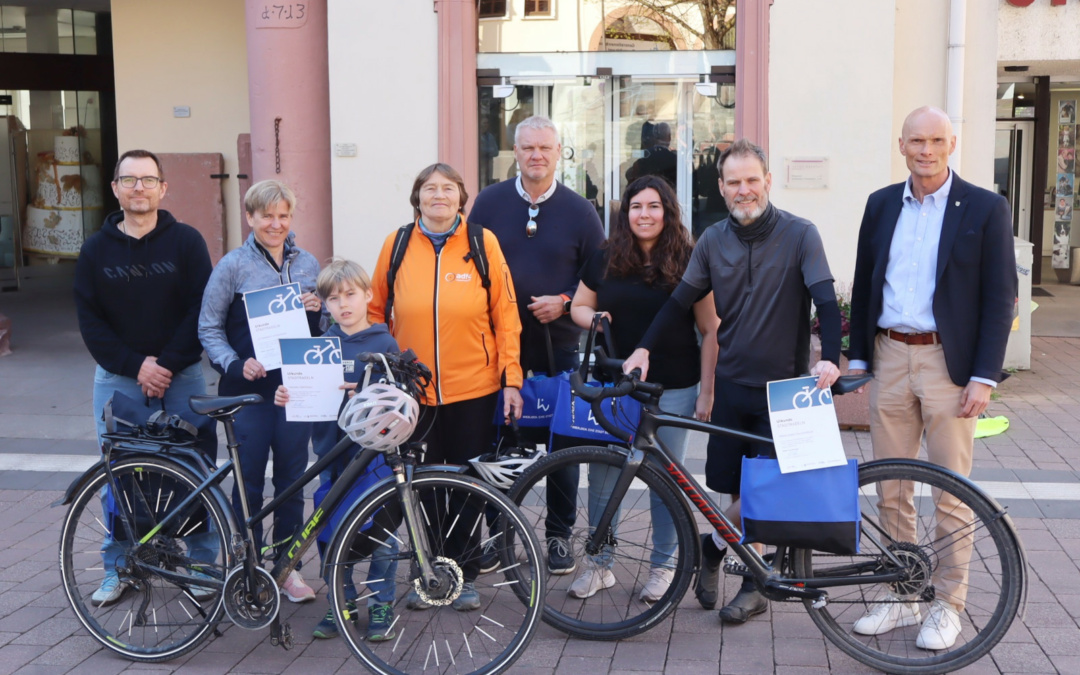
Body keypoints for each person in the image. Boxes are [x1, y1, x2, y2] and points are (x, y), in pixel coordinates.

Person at [624, 138, 842, 625]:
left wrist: (831, 358)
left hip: (783, 391)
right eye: (734, 182)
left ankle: (745, 575)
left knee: (764, 491)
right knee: (730, 488)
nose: (744, 190)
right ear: (721, 188)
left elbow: (826, 302)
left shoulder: (800, 234)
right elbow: (679, 303)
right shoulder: (712, 240)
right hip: (732, 386)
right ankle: (726, 547)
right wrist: (643, 347)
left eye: (752, 180)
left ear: (767, 181)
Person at [846, 106, 1016, 650]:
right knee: (892, 488)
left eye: (936, 140)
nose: (926, 150)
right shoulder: (879, 205)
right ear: (902, 145)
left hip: (949, 364)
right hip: (891, 354)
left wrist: (984, 375)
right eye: (916, 140)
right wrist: (857, 359)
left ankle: (948, 603)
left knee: (950, 492)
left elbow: (1000, 297)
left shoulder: (985, 208)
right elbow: (865, 284)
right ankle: (903, 593)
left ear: (952, 143)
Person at [368, 162, 524, 611]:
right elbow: (376, 310)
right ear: (417, 197)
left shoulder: (481, 243)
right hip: (414, 392)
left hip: (475, 387)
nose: (439, 196)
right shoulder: (396, 244)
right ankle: (432, 571)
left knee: (469, 485)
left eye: (448, 189)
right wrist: (385, 368)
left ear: (461, 197)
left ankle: (465, 573)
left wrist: (512, 378)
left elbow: (506, 316)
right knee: (423, 486)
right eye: (430, 189)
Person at [567, 175, 719, 601]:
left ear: (667, 212)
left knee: (666, 477)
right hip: (615, 383)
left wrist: (707, 391)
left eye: (653, 206)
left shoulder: (690, 259)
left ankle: (663, 567)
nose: (644, 214)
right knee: (603, 473)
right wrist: (594, 320)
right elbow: (579, 305)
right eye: (636, 207)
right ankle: (600, 564)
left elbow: (710, 330)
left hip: (674, 386)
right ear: (625, 213)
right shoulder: (605, 256)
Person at [74, 149, 215, 607]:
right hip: (119, 381)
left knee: (196, 475)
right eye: (130, 180)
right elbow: (90, 319)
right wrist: (138, 367)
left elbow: (202, 309)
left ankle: (199, 564)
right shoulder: (95, 249)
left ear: (163, 188)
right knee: (118, 479)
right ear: (115, 188)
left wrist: (166, 365)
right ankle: (120, 566)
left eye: (148, 180)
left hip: (184, 378)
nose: (139, 188)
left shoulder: (188, 242)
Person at [469, 114, 606, 575]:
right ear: (515, 150)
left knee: (562, 445)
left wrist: (566, 302)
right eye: (528, 148)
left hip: (559, 348)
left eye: (545, 148)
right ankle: (500, 535)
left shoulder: (581, 211)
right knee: (498, 445)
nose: (536, 156)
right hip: (495, 349)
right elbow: (470, 271)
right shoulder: (487, 204)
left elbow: (599, 278)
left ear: (558, 151)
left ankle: (559, 537)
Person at [198, 179, 322, 603]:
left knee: (291, 482)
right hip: (246, 394)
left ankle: (287, 568)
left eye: (283, 215)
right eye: (267, 215)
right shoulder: (231, 266)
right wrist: (235, 362)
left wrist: (319, 312)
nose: (276, 223)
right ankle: (244, 565)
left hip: (295, 391)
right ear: (250, 218)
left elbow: (321, 332)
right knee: (248, 482)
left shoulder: (308, 263)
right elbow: (209, 328)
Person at [273, 259, 399, 641]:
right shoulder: (319, 347)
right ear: (324, 304)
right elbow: (304, 394)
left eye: (350, 295)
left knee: (382, 537)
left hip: (373, 457)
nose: (343, 304)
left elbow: (395, 399)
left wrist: (367, 395)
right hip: (330, 455)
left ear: (367, 296)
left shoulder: (384, 343)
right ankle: (339, 603)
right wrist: (287, 394)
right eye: (333, 298)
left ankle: (381, 604)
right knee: (328, 534)